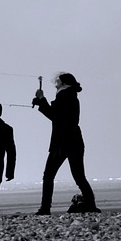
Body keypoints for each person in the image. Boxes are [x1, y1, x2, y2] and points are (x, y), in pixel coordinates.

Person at [33, 72, 99, 214]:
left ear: (63, 83)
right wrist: (41, 102)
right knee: (79, 176)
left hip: (62, 142)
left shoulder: (64, 95)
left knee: (49, 175)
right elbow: (57, 114)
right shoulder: (72, 96)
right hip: (75, 141)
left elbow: (55, 116)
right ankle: (91, 206)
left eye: (57, 81)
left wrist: (41, 99)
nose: (55, 83)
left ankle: (45, 208)